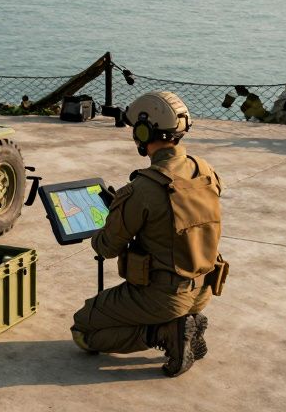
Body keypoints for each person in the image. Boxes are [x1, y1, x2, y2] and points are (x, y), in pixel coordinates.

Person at [70, 90, 225, 377]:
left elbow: (106, 247)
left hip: (162, 297)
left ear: (144, 131)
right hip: (203, 290)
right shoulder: (206, 170)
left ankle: (165, 332)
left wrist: (114, 217)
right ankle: (184, 323)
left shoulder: (142, 189)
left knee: (83, 329)